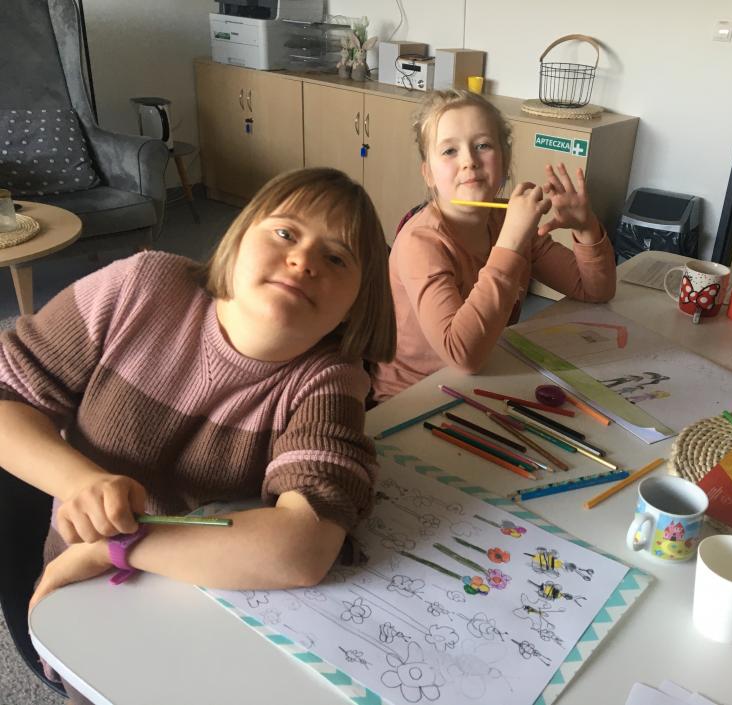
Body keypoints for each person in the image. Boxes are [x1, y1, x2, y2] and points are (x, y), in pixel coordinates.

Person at [0, 168, 395, 627]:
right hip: (84, 596)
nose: (304, 261)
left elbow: (306, 544)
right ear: (238, 237)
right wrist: (80, 483)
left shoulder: (332, 379)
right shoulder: (137, 286)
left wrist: (118, 546)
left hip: (217, 604)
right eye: (286, 233)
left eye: (337, 258)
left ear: (356, 304)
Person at [371, 89, 616, 402]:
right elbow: (462, 355)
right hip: (411, 400)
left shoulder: (505, 219)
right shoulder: (421, 242)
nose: (469, 161)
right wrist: (511, 242)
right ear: (428, 173)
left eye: (483, 145)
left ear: (505, 160)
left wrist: (585, 227)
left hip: (484, 380)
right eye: (449, 151)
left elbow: (595, 290)